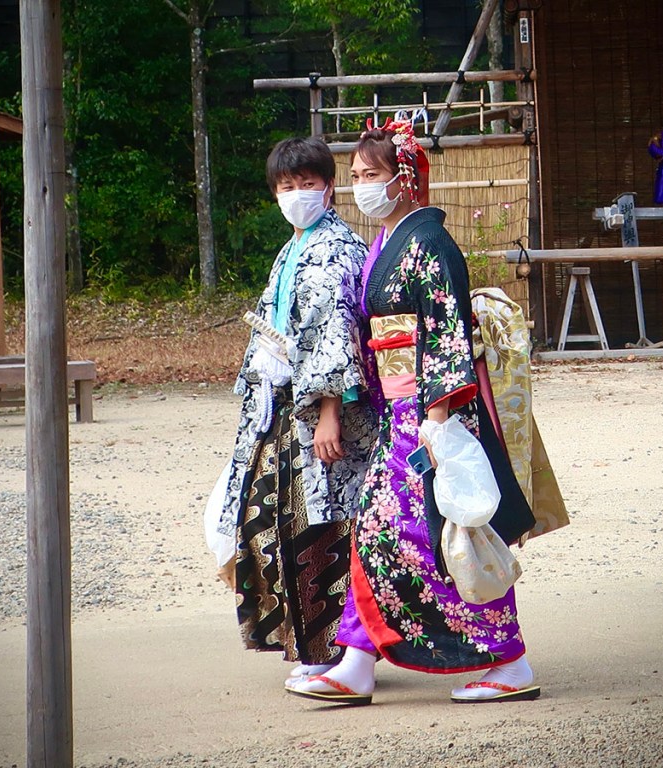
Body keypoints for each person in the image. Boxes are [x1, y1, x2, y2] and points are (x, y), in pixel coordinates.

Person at [288, 118, 539, 705]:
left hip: (430, 415)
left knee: (451, 531)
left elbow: (447, 331)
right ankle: (357, 659)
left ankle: (510, 660)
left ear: (406, 178)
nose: (359, 187)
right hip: (400, 412)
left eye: (370, 175)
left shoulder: (428, 243)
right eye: (354, 177)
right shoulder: (390, 240)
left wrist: (439, 414)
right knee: (379, 532)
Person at [218, 136, 377, 688]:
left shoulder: (336, 246)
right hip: (285, 406)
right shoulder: (294, 247)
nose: (297, 194)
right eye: (287, 187)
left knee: (324, 523)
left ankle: (337, 651)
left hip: (325, 414)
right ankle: (310, 644)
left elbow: (338, 333)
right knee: (275, 518)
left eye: (308, 184)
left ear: (328, 186)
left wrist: (329, 411)